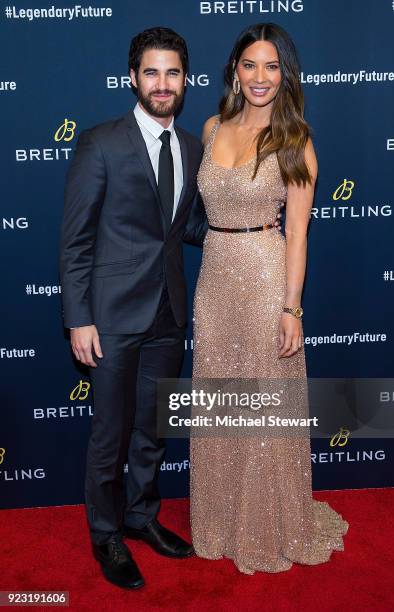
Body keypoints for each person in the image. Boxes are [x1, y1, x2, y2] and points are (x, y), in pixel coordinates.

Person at [190, 23, 349, 574]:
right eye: (251, 65)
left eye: (272, 67)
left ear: (286, 75)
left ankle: (268, 525)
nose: (260, 77)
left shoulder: (296, 139)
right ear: (235, 70)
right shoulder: (212, 127)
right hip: (213, 277)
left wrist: (290, 308)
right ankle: (219, 521)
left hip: (263, 276)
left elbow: (299, 232)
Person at [59, 27, 210, 590]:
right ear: (133, 78)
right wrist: (79, 317)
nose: (162, 84)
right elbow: (75, 241)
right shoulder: (101, 143)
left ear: (185, 81)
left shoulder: (193, 147)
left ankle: (143, 517)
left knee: (151, 429)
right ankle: (106, 535)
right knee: (110, 434)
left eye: (173, 73)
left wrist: (245, 228)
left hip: (169, 312)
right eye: (151, 72)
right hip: (112, 317)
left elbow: (184, 227)